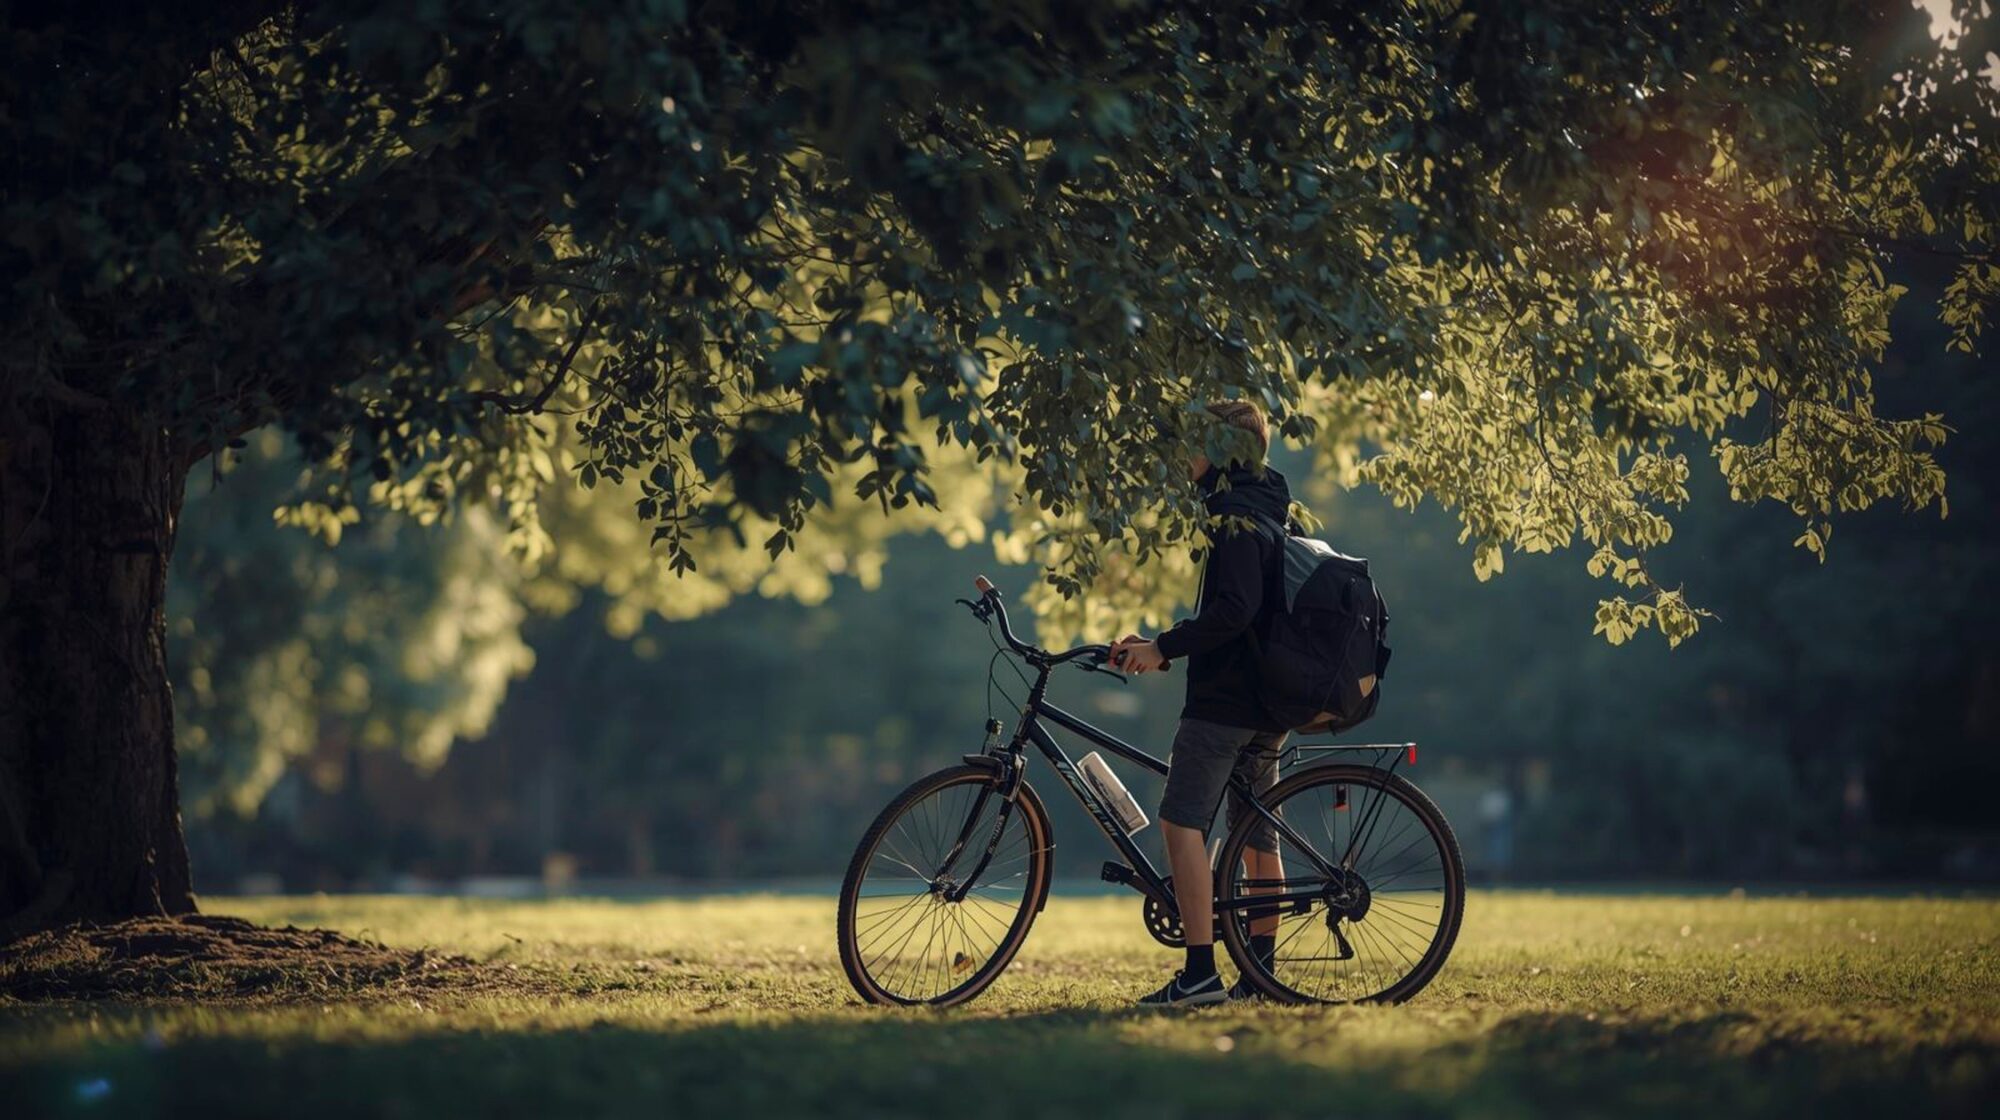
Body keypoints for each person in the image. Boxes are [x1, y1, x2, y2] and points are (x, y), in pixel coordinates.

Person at [1111, 400, 1293, 1007]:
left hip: (1225, 702)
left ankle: (1199, 973)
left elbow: (1233, 610)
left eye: (1194, 444)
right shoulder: (1267, 511)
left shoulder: (1234, 518)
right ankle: (1258, 979)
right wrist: (1157, 643)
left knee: (1181, 822)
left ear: (1221, 452)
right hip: (1266, 702)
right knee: (1256, 836)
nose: (1184, 456)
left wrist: (1164, 648)